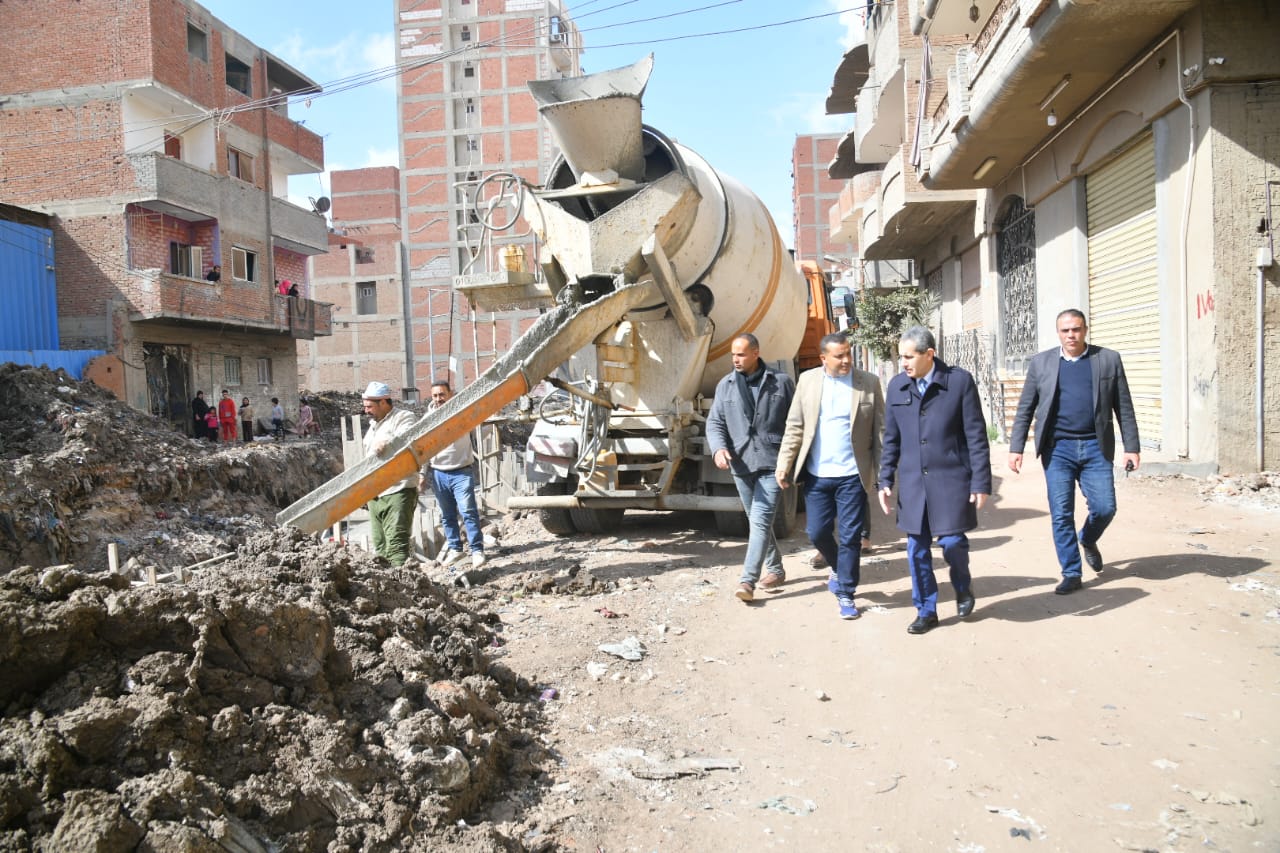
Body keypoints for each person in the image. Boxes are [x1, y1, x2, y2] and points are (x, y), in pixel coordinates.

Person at [1008, 309, 1141, 595]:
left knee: (1106, 507)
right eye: (1066, 330)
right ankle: (1071, 572)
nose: (1071, 335)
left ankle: (1088, 538)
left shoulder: (1107, 360)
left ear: (1086, 330)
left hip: (1096, 447)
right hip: (1058, 450)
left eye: (1076, 329)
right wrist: (1015, 447)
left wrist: (1132, 447)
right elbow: (1025, 409)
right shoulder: (1041, 363)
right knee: (1061, 514)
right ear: (1058, 332)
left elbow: (1124, 406)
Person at [878, 326, 992, 635]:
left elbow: (976, 437)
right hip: (914, 484)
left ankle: (963, 587)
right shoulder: (898, 387)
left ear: (930, 354)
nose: (903, 363)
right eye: (900, 356)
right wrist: (885, 478)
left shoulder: (958, 383)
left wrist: (980, 482)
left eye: (909, 356)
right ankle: (926, 610)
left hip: (951, 480)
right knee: (916, 549)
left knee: (954, 543)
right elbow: (892, 438)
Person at [776, 333, 884, 621]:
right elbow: (795, 425)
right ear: (824, 358)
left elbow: (880, 433)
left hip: (852, 475)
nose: (847, 360)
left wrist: (883, 476)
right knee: (817, 532)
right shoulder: (808, 382)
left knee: (850, 537)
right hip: (817, 475)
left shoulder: (869, 383)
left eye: (848, 353)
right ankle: (838, 566)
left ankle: (846, 592)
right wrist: (784, 463)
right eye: (839, 356)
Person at [706, 333, 795, 602]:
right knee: (757, 521)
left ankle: (747, 581)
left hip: (773, 462)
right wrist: (718, 448)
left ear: (756, 353)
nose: (736, 359)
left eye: (741, 354)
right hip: (741, 461)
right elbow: (715, 422)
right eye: (733, 354)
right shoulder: (726, 385)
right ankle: (776, 569)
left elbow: (796, 421)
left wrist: (792, 460)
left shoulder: (780, 382)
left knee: (759, 521)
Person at [426, 380, 486, 570]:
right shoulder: (429, 419)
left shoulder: (462, 413)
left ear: (450, 394)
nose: (438, 399)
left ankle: (477, 550)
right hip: (438, 473)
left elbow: (481, 427)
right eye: (435, 395)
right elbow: (424, 448)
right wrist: (422, 474)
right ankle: (455, 548)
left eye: (442, 395)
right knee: (447, 515)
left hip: (461, 471)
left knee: (468, 511)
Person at [362, 381, 421, 566]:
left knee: (396, 546)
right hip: (375, 494)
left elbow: (404, 438)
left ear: (383, 403)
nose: (366, 411)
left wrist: (386, 443)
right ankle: (386, 588)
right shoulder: (373, 426)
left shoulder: (404, 417)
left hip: (398, 490)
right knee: (380, 548)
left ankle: (401, 587)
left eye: (370, 406)